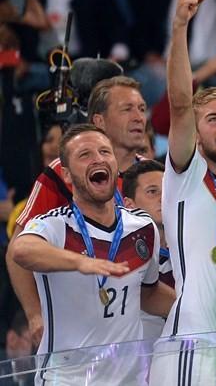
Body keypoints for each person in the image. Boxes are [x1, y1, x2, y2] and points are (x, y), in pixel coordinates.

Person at [10, 124, 172, 385]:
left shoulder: (143, 227)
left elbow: (147, 293)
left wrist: (189, 306)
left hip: (130, 379)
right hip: (66, 379)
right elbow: (21, 249)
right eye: (85, 154)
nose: (98, 159)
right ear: (66, 175)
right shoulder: (55, 225)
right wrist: (80, 262)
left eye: (105, 152)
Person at [9, 76, 147, 347]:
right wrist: (35, 314)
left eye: (142, 108)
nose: (138, 117)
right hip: (76, 331)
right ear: (99, 121)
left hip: (135, 327)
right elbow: (18, 251)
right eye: (127, 109)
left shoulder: (151, 174)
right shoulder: (64, 172)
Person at [150, 0, 216, 386]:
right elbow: (180, 102)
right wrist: (180, 26)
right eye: (214, 119)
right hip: (190, 343)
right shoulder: (186, 173)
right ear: (197, 132)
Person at [120, 159, 171, 341]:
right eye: (152, 192)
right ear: (129, 205)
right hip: (137, 354)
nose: (163, 198)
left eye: (167, 190)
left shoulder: (189, 250)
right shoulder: (120, 257)